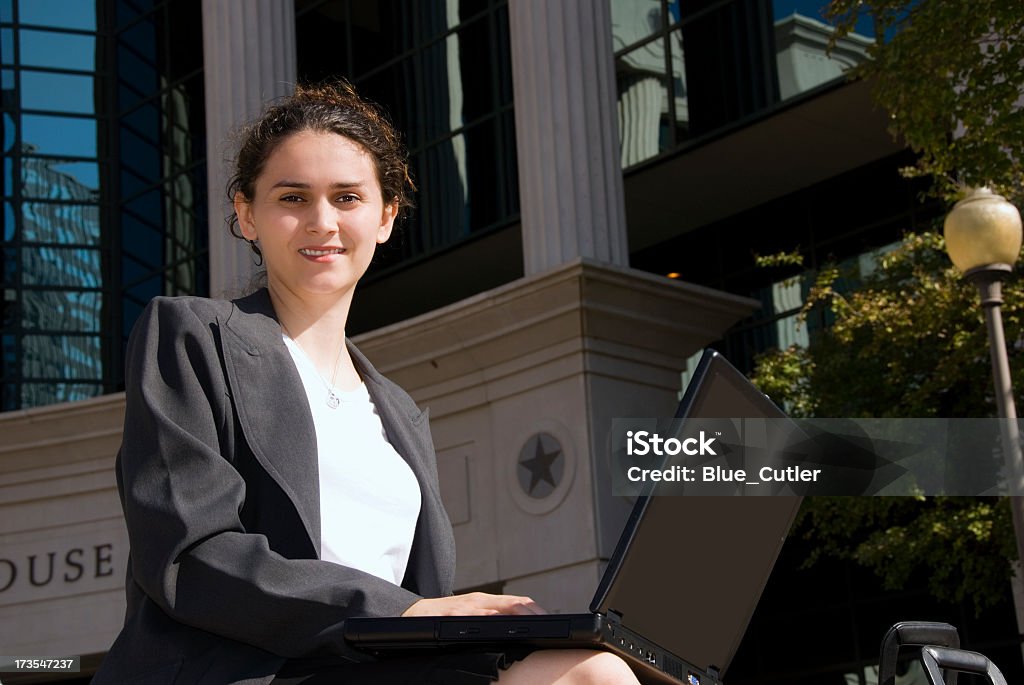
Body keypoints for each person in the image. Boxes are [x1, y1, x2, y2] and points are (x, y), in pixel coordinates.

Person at [93, 82, 641, 685]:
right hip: (244, 674)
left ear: (385, 218)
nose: (322, 221)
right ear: (247, 214)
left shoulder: (399, 412)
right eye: (293, 196)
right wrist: (409, 612)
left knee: (588, 667)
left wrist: (486, 626)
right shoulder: (192, 336)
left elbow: (416, 603)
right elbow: (190, 556)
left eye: (347, 197)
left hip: (381, 672)